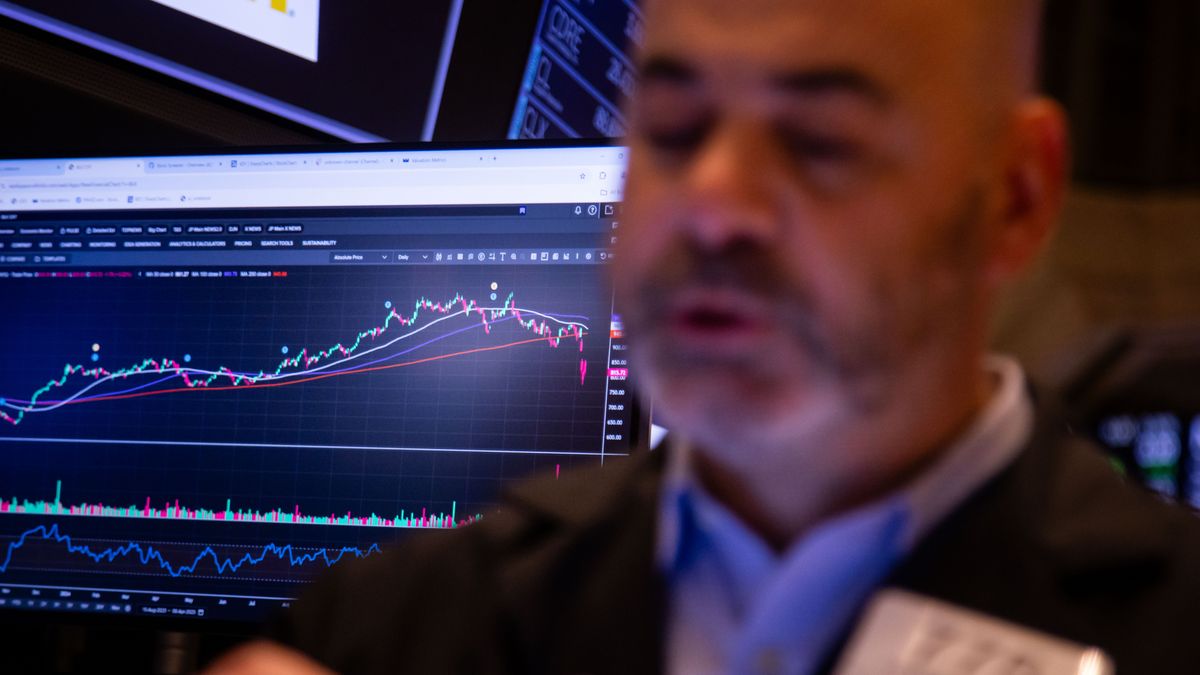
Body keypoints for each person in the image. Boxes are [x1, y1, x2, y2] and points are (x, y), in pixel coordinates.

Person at [208, 0, 1200, 673]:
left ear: (1017, 196)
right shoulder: (390, 630)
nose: (713, 207)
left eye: (820, 142)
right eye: (675, 129)